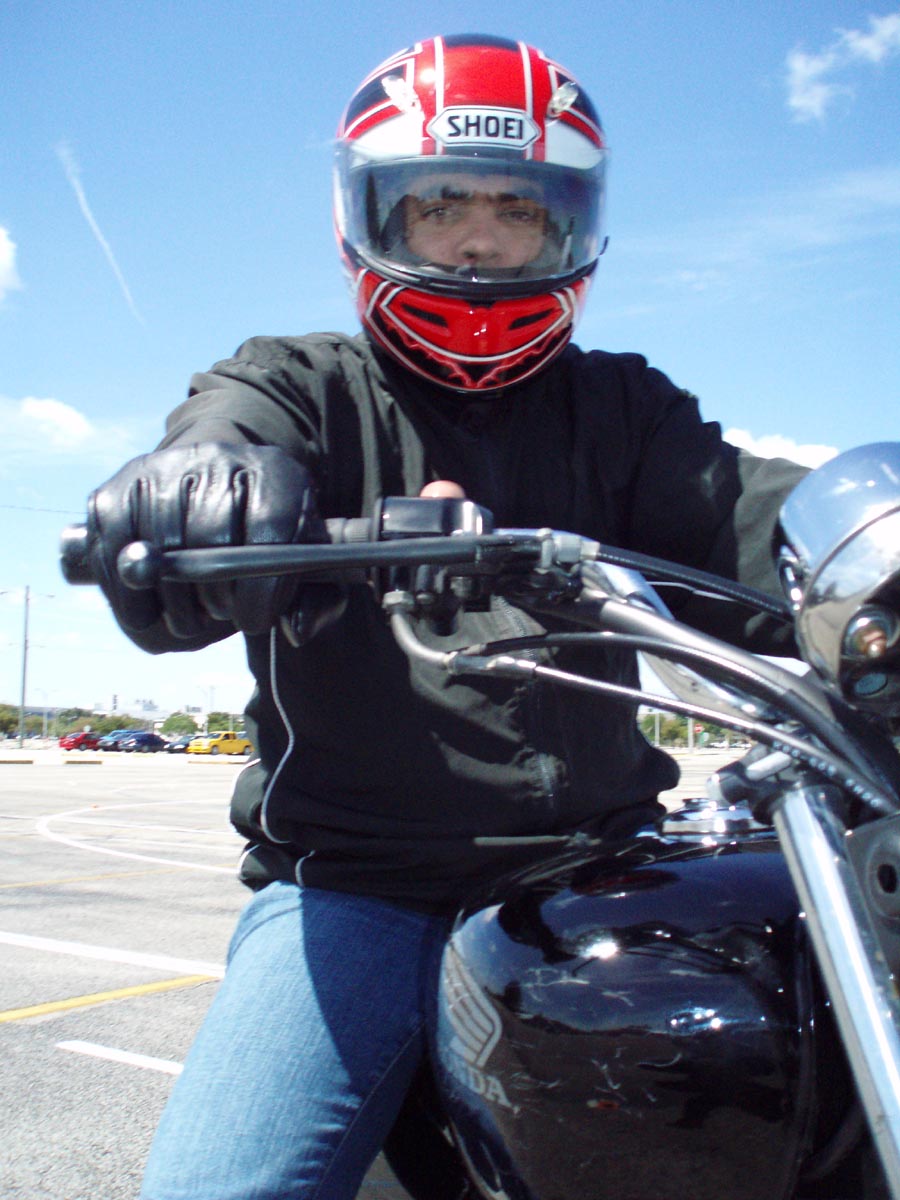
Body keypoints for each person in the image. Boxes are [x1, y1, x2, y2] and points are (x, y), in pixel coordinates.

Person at [83, 34, 808, 1200]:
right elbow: (222, 437)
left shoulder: (628, 411)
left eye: (519, 208)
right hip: (354, 889)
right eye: (439, 204)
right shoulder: (299, 385)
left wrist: (860, 549)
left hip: (598, 876)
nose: (479, 240)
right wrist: (203, 486)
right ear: (372, 218)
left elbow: (757, 520)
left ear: (569, 227)